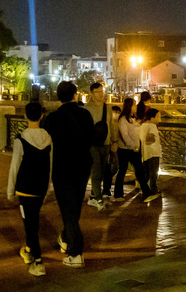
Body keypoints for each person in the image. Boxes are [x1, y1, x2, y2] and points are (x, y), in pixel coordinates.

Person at [42, 80, 94, 268]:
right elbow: (92, 137)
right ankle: (65, 238)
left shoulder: (54, 118)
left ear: (58, 97)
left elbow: (43, 134)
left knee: (67, 209)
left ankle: (76, 252)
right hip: (83, 165)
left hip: (63, 167)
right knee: (75, 206)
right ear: (75, 95)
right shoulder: (85, 114)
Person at [7, 101, 52, 277]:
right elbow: (50, 165)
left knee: (30, 224)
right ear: (42, 116)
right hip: (40, 186)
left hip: (25, 187)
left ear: (25, 116)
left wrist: (10, 190)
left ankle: (38, 261)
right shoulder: (48, 139)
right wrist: (48, 188)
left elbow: (15, 166)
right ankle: (27, 249)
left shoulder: (21, 139)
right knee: (34, 220)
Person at [113, 97, 149, 200]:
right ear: (130, 106)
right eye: (134, 104)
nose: (136, 106)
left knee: (139, 170)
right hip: (126, 149)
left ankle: (147, 192)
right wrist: (133, 146)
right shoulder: (123, 119)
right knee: (123, 170)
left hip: (133, 149)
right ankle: (118, 194)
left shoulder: (131, 119)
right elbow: (125, 135)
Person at [86, 82, 113, 211]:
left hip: (106, 142)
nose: (101, 94)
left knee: (102, 170)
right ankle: (98, 198)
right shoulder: (87, 109)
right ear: (91, 93)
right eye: (97, 92)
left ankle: (93, 195)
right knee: (96, 171)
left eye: (102, 91)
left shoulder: (108, 107)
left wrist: (114, 141)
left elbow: (111, 125)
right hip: (92, 144)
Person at [139, 108, 162, 203]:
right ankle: (153, 189)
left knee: (146, 172)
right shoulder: (152, 126)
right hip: (153, 152)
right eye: (158, 117)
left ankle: (144, 188)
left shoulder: (143, 125)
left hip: (145, 152)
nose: (159, 119)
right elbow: (149, 139)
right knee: (153, 171)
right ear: (152, 118)